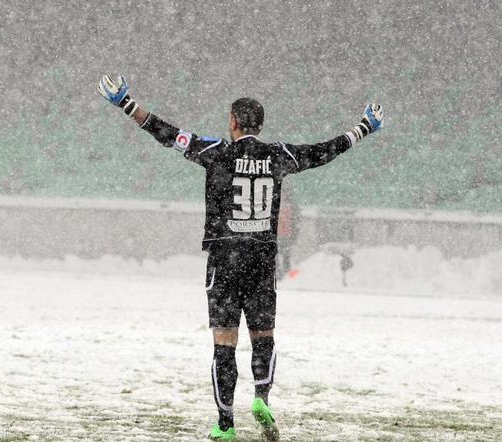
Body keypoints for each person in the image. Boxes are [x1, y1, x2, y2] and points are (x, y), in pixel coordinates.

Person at [97, 74, 383, 441]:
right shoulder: (279, 155)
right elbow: (322, 151)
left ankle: (225, 424)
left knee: (224, 343)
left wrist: (126, 103)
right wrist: (363, 128)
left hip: (224, 259)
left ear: (232, 122)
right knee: (264, 337)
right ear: (259, 125)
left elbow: (166, 133)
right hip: (261, 261)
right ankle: (262, 397)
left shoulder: (214, 151)